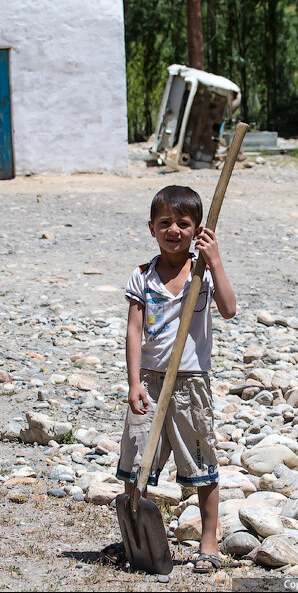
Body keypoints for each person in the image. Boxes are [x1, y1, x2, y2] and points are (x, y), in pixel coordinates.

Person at [117, 185, 237, 574]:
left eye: (183, 224)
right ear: (151, 227)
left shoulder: (200, 272)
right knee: (136, 460)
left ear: (197, 229)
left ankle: (209, 542)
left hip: (190, 385)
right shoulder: (142, 276)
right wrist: (134, 383)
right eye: (165, 222)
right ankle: (136, 535)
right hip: (150, 381)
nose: (174, 230)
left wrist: (215, 260)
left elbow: (230, 310)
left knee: (201, 463)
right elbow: (134, 331)